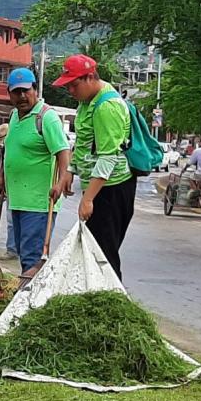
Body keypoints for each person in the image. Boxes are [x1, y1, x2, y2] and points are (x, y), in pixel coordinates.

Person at [53, 54, 135, 280]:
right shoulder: (85, 102)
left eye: (74, 85)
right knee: (92, 248)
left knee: (104, 253)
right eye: (68, 86)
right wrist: (70, 171)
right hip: (97, 188)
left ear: (90, 77)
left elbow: (108, 158)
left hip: (112, 189)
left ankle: (113, 303)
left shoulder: (107, 106)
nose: (71, 91)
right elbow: (84, 143)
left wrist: (88, 198)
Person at [0, 68, 73, 273]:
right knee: (23, 252)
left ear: (35, 90)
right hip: (18, 199)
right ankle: (26, 295)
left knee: (32, 256)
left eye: (26, 90)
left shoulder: (46, 117)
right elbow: (10, 150)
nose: (22, 96)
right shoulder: (14, 116)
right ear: (9, 94)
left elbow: (63, 151)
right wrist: (1, 175)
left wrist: (61, 181)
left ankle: (28, 299)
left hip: (39, 202)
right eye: (16, 92)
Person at [0, 123, 17, 259]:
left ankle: (15, 250)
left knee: (14, 220)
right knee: (11, 220)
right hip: (7, 189)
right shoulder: (1, 152)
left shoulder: (14, 150)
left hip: (18, 188)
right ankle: (12, 249)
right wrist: (0, 189)